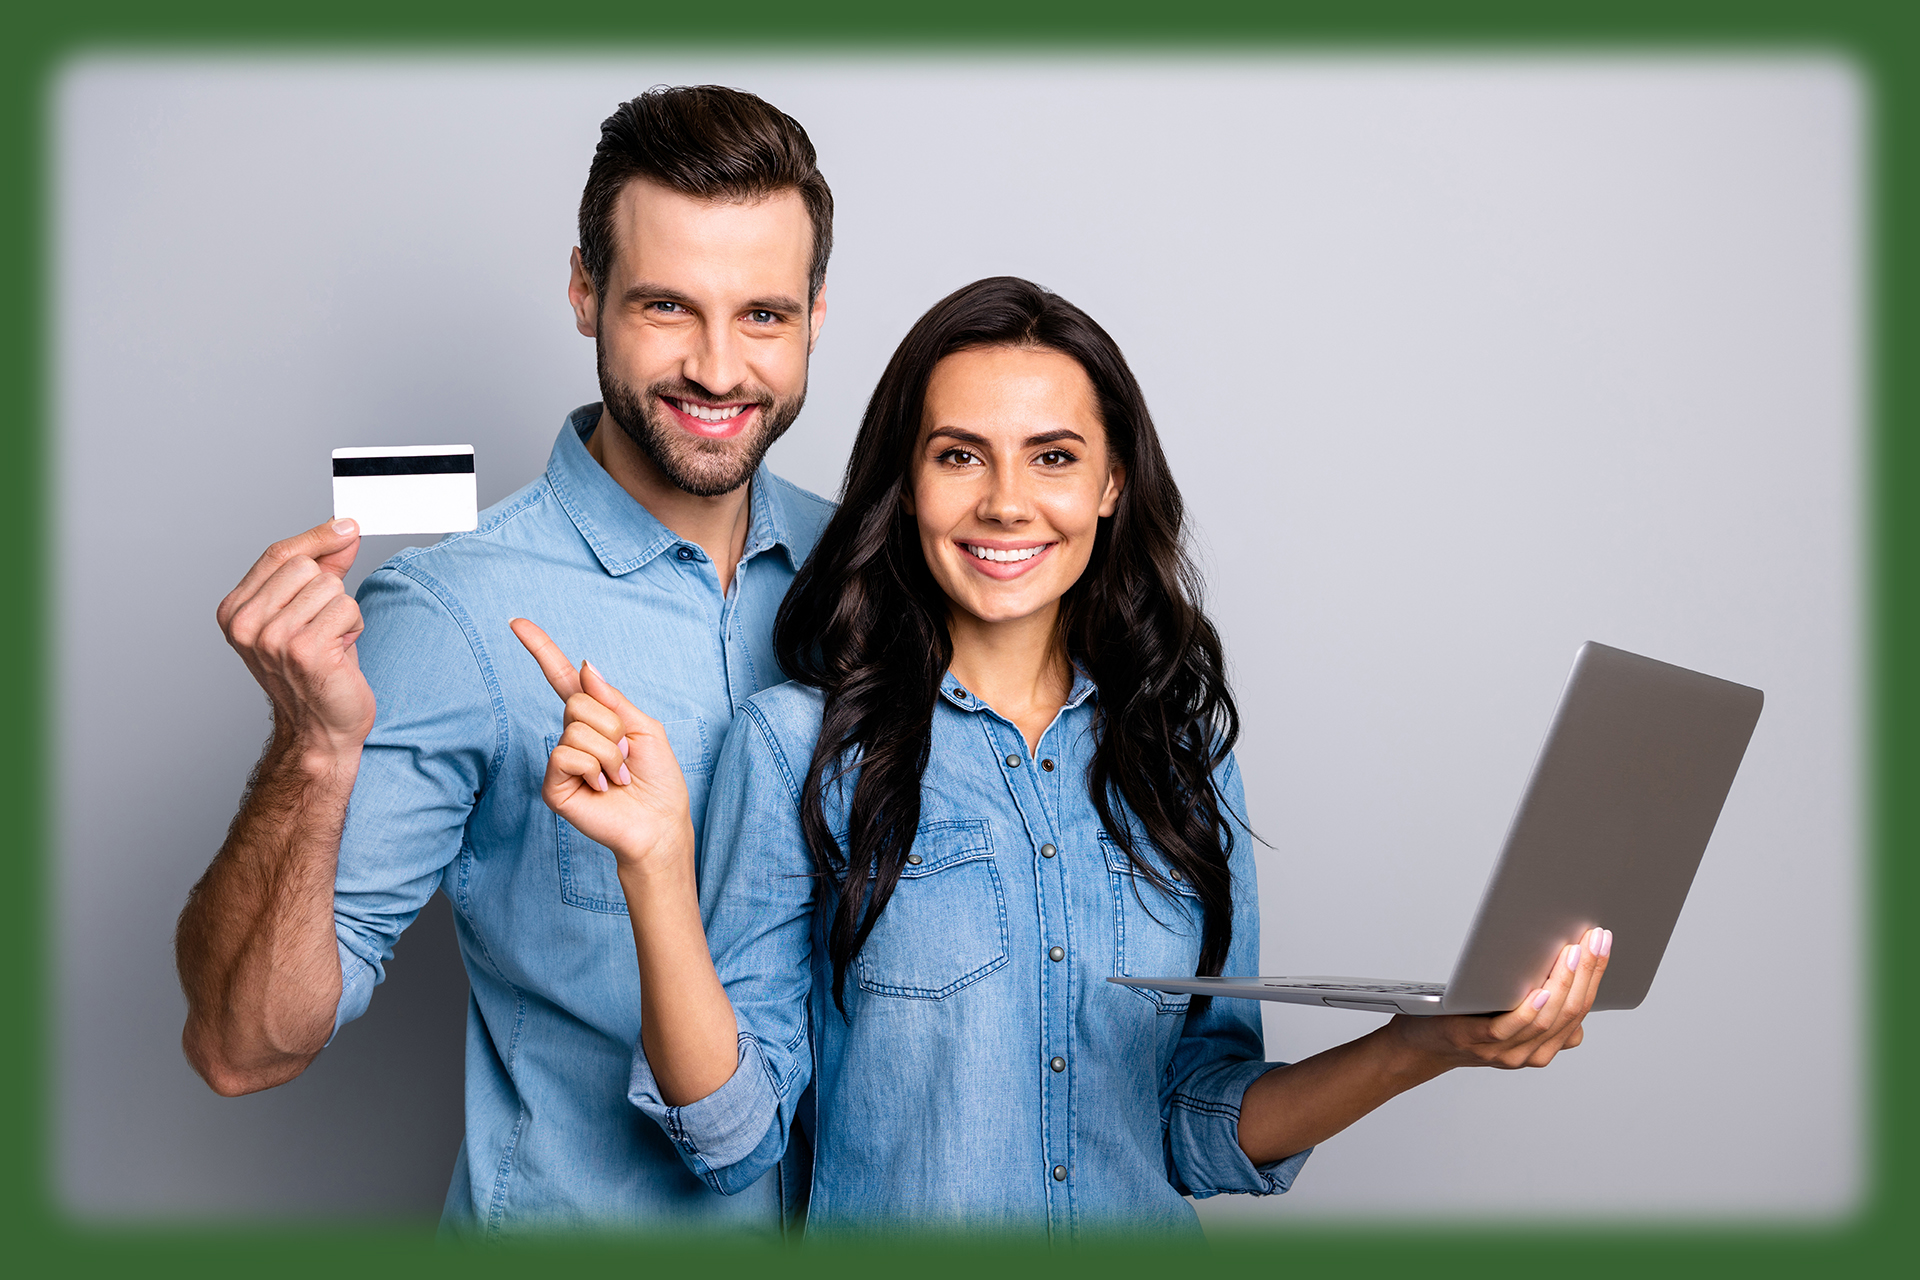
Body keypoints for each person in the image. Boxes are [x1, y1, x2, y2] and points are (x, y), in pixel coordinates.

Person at [518, 276, 1611, 1239]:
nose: (1005, 500)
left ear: (1111, 484)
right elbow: (731, 1135)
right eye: (959, 455)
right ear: (908, 485)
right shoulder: (799, 745)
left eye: (1053, 456)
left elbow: (1198, 1122)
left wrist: (1425, 1043)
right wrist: (656, 868)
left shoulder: (1179, 755)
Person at [175, 86, 837, 1235]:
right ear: (584, 290)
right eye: (667, 306)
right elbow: (241, 1044)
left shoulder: (877, 569)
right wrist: (314, 751)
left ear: (817, 315)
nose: (720, 369)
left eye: (764, 314)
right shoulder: (452, 613)